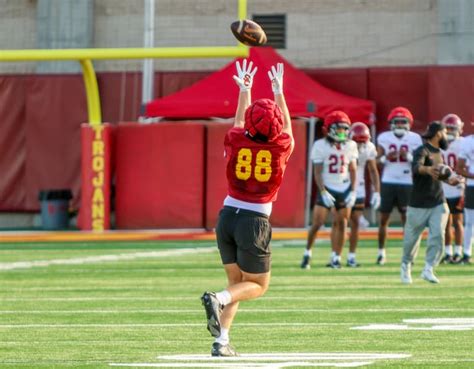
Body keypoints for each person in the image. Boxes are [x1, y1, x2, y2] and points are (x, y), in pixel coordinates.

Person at [201, 60, 294, 356]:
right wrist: (280, 92)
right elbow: (288, 127)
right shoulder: (281, 146)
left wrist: (246, 89)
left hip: (227, 216)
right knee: (257, 286)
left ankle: (222, 341)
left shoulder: (236, 137)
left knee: (236, 285)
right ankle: (217, 299)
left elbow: (239, 124)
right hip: (254, 220)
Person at [401, 121, 461, 284]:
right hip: (418, 202)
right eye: (444, 131)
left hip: (437, 201)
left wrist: (451, 180)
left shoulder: (439, 152)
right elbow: (416, 168)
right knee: (411, 240)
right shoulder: (422, 150)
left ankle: (428, 268)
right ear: (438, 133)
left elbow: (438, 177)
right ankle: (406, 265)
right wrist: (427, 169)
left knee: (437, 235)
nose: (446, 135)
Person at [301, 111, 358, 269]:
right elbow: (317, 171)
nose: (342, 132)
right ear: (329, 129)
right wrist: (323, 191)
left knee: (341, 223)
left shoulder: (351, 145)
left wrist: (353, 191)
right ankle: (307, 252)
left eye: (344, 128)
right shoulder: (320, 145)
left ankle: (336, 257)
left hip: (344, 187)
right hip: (327, 187)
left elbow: (353, 170)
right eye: (338, 128)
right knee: (318, 223)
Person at [376, 107, 422, 265]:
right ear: (391, 123)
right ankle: (381, 253)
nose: (400, 125)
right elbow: (377, 161)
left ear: (409, 123)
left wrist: (407, 156)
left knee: (407, 220)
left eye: (403, 122)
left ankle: (408, 254)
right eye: (398, 122)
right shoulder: (384, 137)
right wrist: (385, 158)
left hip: (407, 182)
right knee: (383, 219)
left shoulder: (415, 138)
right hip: (388, 181)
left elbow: (419, 162)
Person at [347, 122, 381, 267]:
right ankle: (334, 256)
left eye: (363, 142)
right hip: (342, 185)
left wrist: (377, 191)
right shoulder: (344, 145)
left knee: (355, 223)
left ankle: (351, 256)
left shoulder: (370, 147)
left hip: (359, 187)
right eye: (357, 142)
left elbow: (373, 170)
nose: (360, 145)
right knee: (340, 223)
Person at [440, 114, 465, 263]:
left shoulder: (463, 143)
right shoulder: (439, 144)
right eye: (447, 129)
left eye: (452, 128)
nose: (449, 131)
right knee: (447, 223)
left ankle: (458, 251)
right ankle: (449, 252)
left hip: (457, 187)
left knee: (457, 221)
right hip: (444, 187)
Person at [455, 124, 474, 265]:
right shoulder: (467, 142)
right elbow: (459, 168)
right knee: (469, 222)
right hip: (472, 185)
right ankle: (466, 253)